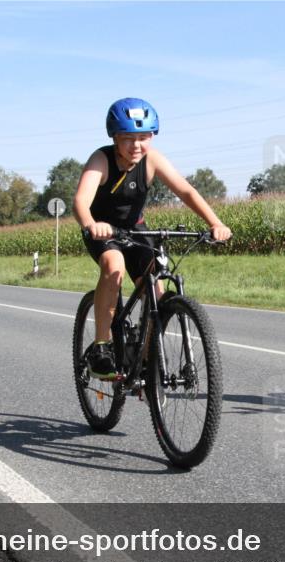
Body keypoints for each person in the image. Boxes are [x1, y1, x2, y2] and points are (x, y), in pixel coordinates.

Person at [74, 97, 232, 379]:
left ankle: (146, 360)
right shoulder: (101, 159)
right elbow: (81, 201)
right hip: (104, 232)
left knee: (157, 287)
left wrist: (215, 223)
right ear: (114, 137)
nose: (136, 145)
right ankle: (101, 347)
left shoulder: (152, 160)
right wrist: (90, 224)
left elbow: (186, 192)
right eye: (128, 138)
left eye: (144, 137)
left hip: (136, 230)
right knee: (114, 266)